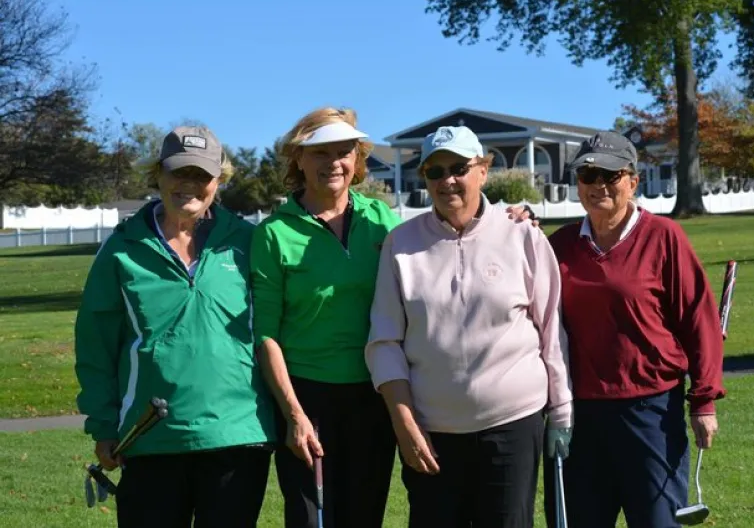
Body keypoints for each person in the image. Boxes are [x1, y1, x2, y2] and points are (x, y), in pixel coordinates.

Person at [250, 109, 535, 528]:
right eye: (319, 153)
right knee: (310, 519)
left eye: (343, 152)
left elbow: (444, 234)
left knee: (364, 516)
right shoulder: (274, 233)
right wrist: (294, 414)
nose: (333, 162)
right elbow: (267, 335)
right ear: (299, 160)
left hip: (374, 397)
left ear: (357, 159)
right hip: (308, 396)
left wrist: (509, 215)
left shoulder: (382, 221)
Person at [364, 125, 573, 528]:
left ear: (483, 170)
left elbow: (551, 330)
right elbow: (384, 342)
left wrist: (561, 410)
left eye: (459, 167)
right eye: (435, 171)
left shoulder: (522, 236)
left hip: (513, 424)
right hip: (431, 433)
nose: (448, 181)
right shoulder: (400, 244)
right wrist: (403, 423)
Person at [75, 126, 278, 528]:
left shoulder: (249, 242)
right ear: (158, 175)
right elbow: (95, 344)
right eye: (178, 172)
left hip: (237, 434)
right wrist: (102, 424)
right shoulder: (121, 249)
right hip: (151, 434)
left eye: (201, 175)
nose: (189, 184)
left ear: (218, 182)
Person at [543, 131, 726, 528]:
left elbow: (699, 320)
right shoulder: (558, 246)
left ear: (633, 181)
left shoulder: (664, 237)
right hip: (578, 414)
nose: (598, 186)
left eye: (610, 176)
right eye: (587, 176)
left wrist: (704, 399)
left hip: (650, 412)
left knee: (658, 521)